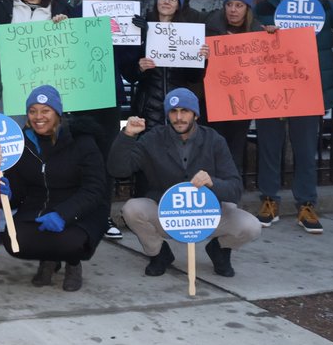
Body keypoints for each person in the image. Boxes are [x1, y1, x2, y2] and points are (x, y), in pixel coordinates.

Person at [252, 0, 333, 234]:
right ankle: (269, 200)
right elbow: (246, 35)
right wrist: (261, 31)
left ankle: (306, 204)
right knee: (269, 149)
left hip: (307, 90)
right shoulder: (265, 7)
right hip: (272, 90)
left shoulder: (323, 6)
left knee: (305, 152)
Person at [108, 88, 261, 278]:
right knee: (132, 209)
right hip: (167, 214)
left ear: (195, 114)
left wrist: (212, 182)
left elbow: (235, 189)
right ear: (167, 115)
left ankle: (219, 249)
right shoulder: (152, 139)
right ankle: (159, 254)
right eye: (173, 112)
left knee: (251, 226)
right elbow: (118, 170)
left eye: (185, 111)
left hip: (208, 215)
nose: (179, 117)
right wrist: (127, 136)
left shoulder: (214, 140)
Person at [1, 86, 110, 292]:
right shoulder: (21, 145)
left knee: (71, 242)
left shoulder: (83, 141)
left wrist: (63, 215)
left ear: (57, 112)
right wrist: (7, 194)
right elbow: (18, 194)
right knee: (14, 240)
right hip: (37, 209)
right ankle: (49, 259)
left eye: (45, 110)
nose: (38, 117)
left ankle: (72, 263)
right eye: (32, 111)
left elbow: (94, 189)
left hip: (79, 212)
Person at [68, 0, 131, 240]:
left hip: (108, 97)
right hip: (80, 97)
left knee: (106, 159)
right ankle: (78, 212)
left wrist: (137, 35)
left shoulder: (118, 15)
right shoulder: (71, 14)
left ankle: (103, 215)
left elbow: (129, 65)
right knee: (79, 158)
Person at [121, 0, 205, 130]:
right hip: (147, 109)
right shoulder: (140, 28)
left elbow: (194, 78)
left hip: (178, 107)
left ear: (178, 5)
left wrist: (203, 58)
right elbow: (129, 74)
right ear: (157, 1)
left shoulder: (188, 34)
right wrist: (140, 68)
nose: (167, 1)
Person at [201, 0, 265, 171]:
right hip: (212, 100)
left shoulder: (257, 32)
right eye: (229, 4)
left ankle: (231, 193)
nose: (233, 10)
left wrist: (271, 36)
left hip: (242, 103)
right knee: (211, 148)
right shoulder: (209, 27)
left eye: (239, 5)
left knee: (235, 149)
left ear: (247, 8)